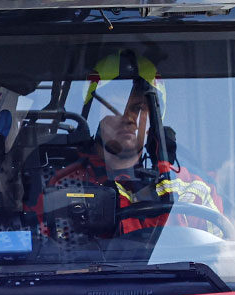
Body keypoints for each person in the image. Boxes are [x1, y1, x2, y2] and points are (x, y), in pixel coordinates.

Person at [46, 51, 223, 235]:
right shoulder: (61, 184)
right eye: (114, 106)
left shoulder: (191, 190)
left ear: (154, 121)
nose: (129, 118)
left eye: (138, 109)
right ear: (94, 115)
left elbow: (218, 256)